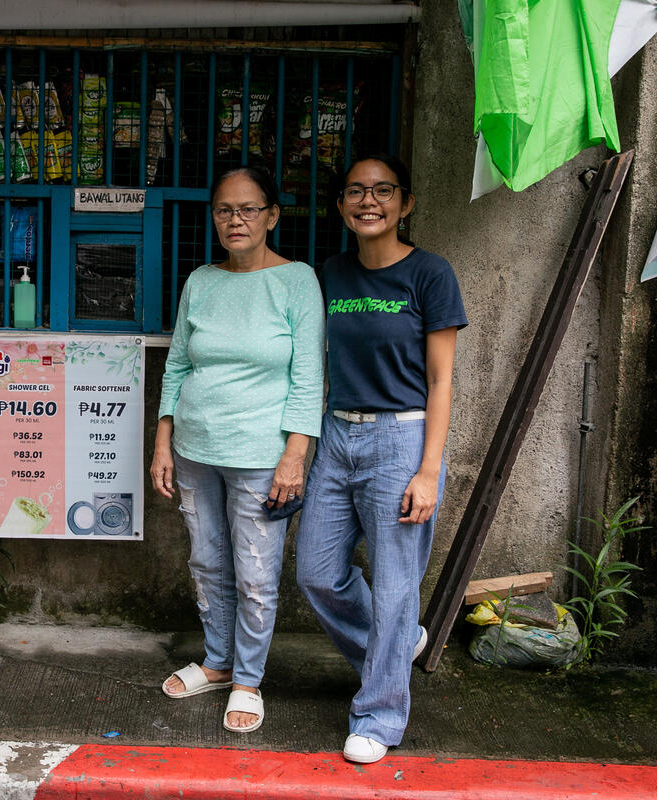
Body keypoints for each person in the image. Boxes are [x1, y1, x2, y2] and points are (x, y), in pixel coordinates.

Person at [296, 154, 466, 763]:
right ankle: (393, 645)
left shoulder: (430, 274)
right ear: (341, 205)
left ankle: (379, 716)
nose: (369, 202)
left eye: (383, 191)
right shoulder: (332, 273)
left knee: (396, 585)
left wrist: (428, 469)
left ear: (405, 203)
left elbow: (442, 381)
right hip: (337, 435)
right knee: (316, 571)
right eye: (355, 192)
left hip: (402, 438)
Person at [152, 166, 324, 734]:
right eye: (225, 209)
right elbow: (177, 363)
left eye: (249, 209)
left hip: (262, 455)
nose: (236, 220)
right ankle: (219, 662)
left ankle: (249, 679)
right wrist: (163, 443)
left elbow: (308, 376)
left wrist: (295, 454)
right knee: (206, 561)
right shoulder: (200, 280)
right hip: (196, 449)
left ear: (272, 216)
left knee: (255, 574)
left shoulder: (297, 280)